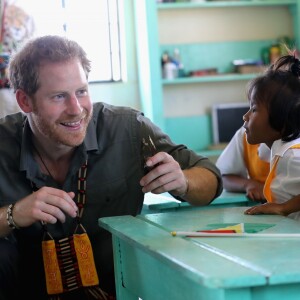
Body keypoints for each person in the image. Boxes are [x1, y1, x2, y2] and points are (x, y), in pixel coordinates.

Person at [0, 35, 222, 300]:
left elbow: (210, 178)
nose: (76, 109)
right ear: (25, 101)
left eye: (81, 91)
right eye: (59, 96)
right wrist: (12, 215)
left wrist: (184, 181)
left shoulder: (126, 128)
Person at [243, 51, 300, 220]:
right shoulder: (278, 150)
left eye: (254, 109)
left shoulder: (292, 156)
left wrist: (284, 208)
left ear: (281, 119)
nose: (245, 116)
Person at [216, 126, 270, 202]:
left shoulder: (291, 141)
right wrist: (250, 185)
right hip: (263, 205)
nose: (246, 116)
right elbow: (222, 176)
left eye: (255, 113)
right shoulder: (246, 133)